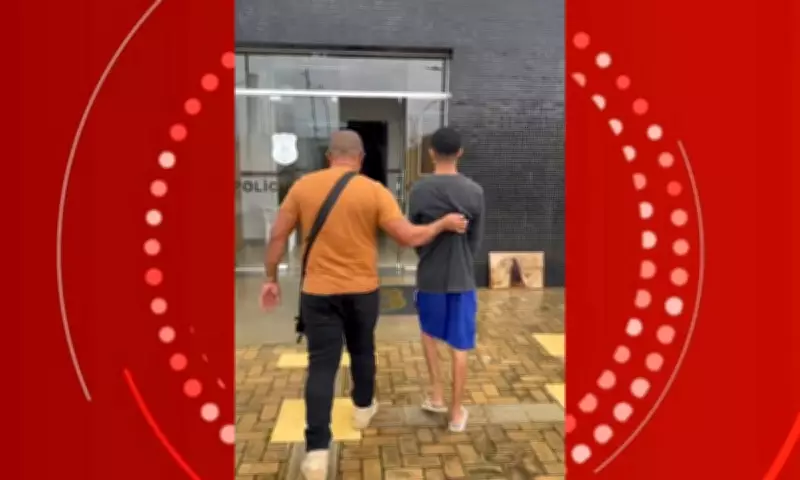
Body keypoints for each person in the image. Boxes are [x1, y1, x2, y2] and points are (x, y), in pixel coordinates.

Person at [259, 130, 468, 480]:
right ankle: (362, 408)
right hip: (362, 292)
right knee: (362, 350)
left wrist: (270, 278)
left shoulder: (302, 187)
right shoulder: (374, 191)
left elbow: (278, 235)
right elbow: (408, 237)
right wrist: (443, 224)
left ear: (329, 156)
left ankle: (316, 453)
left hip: (318, 293)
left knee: (321, 366)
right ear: (359, 158)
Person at [407, 127, 485, 432]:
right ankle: (455, 414)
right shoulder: (474, 191)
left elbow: (414, 235)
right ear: (460, 152)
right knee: (460, 345)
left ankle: (437, 395)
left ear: (431, 153)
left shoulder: (419, 190)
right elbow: (476, 240)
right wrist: (462, 258)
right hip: (461, 278)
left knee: (429, 334)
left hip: (430, 276)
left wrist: (427, 254)